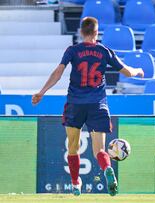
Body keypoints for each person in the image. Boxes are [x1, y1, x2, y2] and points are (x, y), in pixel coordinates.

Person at [31, 17, 144, 196]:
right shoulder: (104, 51)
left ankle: (76, 183)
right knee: (99, 149)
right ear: (96, 32)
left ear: (81, 32)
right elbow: (128, 72)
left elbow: (58, 72)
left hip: (75, 104)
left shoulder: (73, 50)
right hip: (97, 105)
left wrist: (42, 91)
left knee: (73, 147)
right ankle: (107, 168)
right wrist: (138, 70)